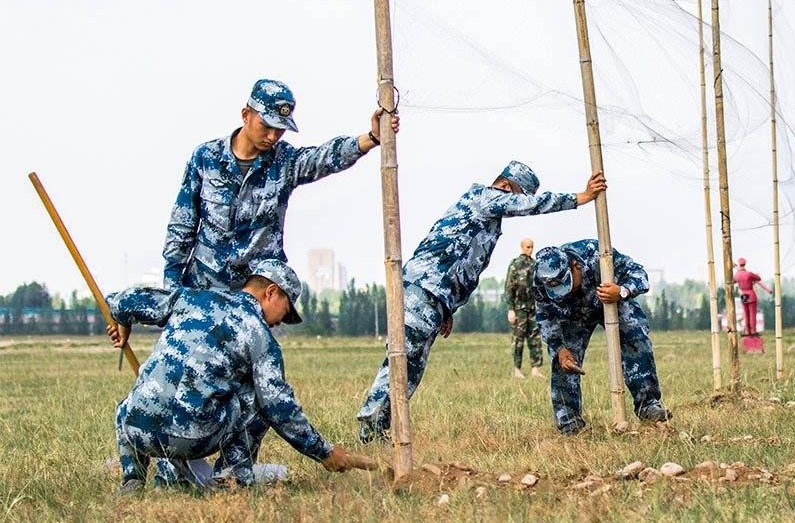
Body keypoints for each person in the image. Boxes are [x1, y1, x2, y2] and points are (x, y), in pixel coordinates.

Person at [356, 162, 607, 443]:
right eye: (517, 197)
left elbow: (457, 260)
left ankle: (378, 426)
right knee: (403, 359)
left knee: (412, 366)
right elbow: (531, 206)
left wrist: (447, 307)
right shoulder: (483, 197)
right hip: (422, 290)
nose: (516, 206)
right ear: (505, 187)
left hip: (433, 295)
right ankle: (371, 427)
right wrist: (580, 197)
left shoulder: (485, 216)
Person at [106, 260, 368, 493]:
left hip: (135, 429)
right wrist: (324, 452)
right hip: (190, 437)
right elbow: (280, 408)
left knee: (138, 396)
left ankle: (133, 479)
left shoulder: (192, 297)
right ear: (271, 292)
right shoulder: (261, 337)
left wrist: (123, 324)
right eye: (286, 310)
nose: (282, 320)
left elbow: (124, 301)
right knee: (259, 397)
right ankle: (229, 481)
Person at [163, 78, 398, 291]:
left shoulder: (284, 162)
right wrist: (171, 288)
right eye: (266, 126)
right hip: (204, 290)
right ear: (246, 115)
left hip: (256, 296)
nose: (273, 136)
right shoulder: (206, 158)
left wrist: (371, 138)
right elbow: (182, 224)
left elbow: (324, 157)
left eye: (280, 129)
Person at [532, 239, 670, 435]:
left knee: (636, 337)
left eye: (567, 285)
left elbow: (639, 274)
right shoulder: (541, 277)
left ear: (575, 266)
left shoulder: (595, 254)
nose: (563, 293)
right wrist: (558, 348)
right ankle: (569, 423)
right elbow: (544, 315)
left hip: (612, 301)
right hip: (572, 315)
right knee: (564, 360)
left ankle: (648, 406)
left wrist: (621, 291)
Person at [505, 238, 544, 378]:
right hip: (519, 308)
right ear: (522, 247)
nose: (530, 249)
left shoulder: (535, 265)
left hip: (533, 308)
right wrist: (511, 309)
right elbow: (509, 286)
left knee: (535, 339)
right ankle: (517, 370)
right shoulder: (515, 264)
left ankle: (535, 369)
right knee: (518, 339)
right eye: (528, 247)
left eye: (532, 247)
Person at [733, 258, 772, 339]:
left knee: (746, 314)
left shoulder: (737, 275)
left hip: (743, 294)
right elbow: (758, 278)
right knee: (752, 314)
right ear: (745, 264)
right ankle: (753, 331)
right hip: (751, 294)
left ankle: (747, 331)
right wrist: (754, 277)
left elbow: (733, 281)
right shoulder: (749, 274)